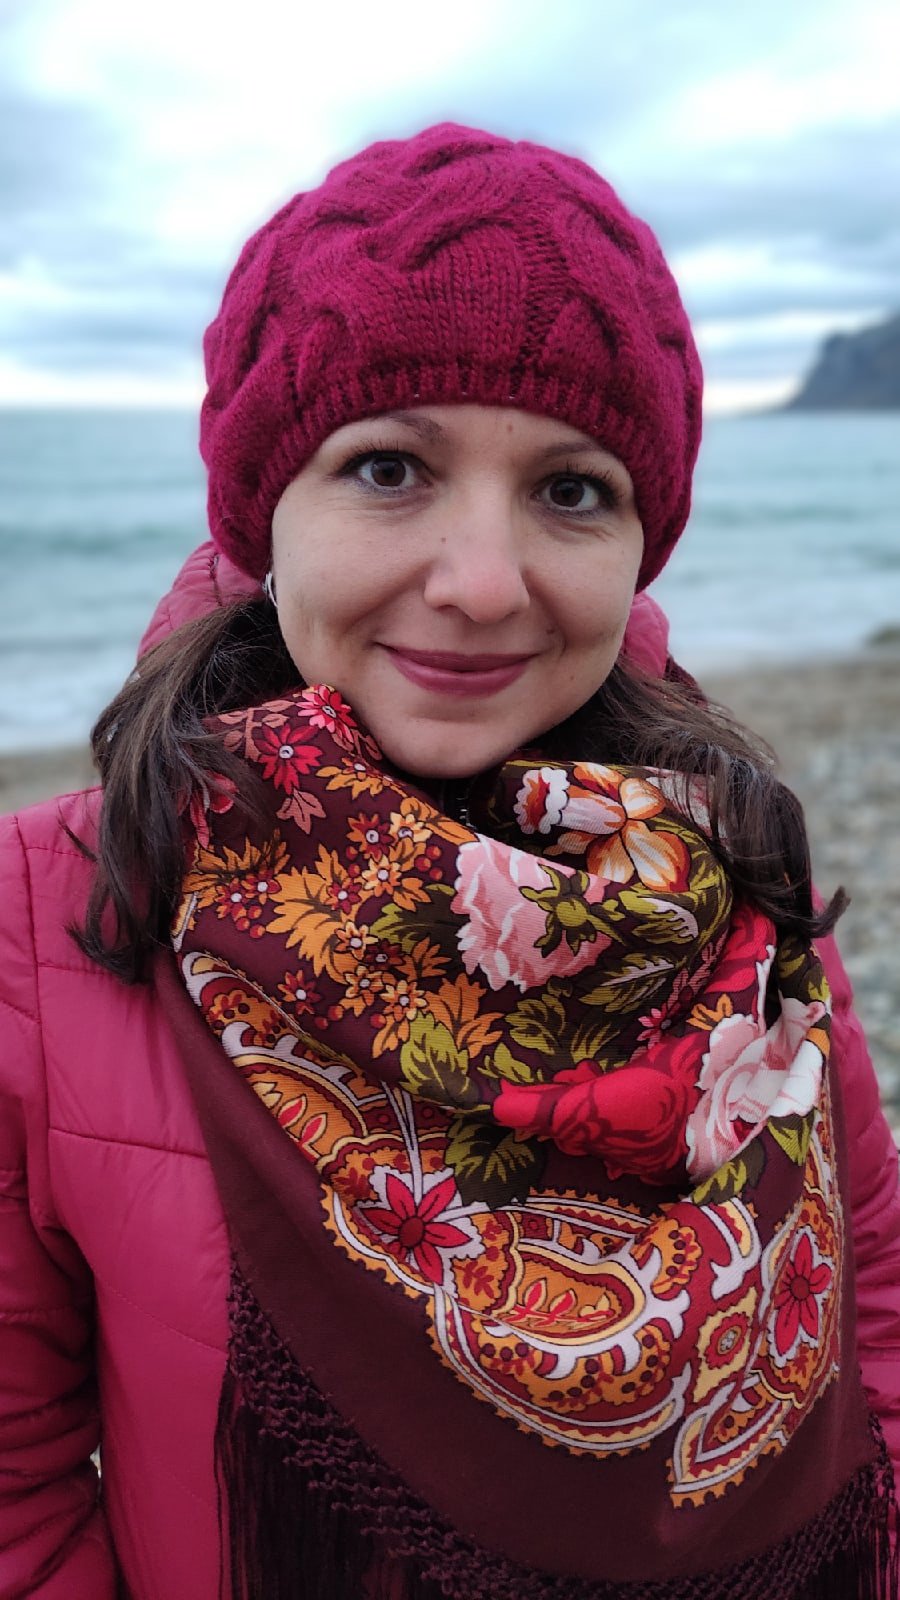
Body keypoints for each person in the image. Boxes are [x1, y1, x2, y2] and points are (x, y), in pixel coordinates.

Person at [1, 122, 898, 1600]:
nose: (482, 585)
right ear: (265, 515)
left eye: (570, 491)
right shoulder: (50, 912)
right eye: (388, 467)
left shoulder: (726, 871)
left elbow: (872, 1320)